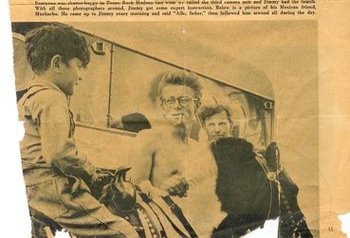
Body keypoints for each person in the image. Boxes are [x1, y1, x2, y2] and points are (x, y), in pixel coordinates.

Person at [17, 24, 138, 238]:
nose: (81, 75)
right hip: (52, 190)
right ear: (57, 63)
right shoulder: (53, 98)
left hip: (31, 188)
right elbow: (59, 154)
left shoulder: (28, 98)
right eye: (79, 66)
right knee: (124, 232)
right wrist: (90, 172)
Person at [128, 70, 224, 237]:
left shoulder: (201, 149)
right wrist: (160, 191)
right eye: (169, 101)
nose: (176, 106)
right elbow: (132, 187)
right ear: (163, 106)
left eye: (184, 100)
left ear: (198, 104)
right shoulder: (149, 138)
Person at [197, 104, 313, 237]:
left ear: (230, 125)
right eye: (211, 125)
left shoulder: (245, 152)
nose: (217, 129)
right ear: (204, 127)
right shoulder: (201, 155)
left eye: (222, 123)